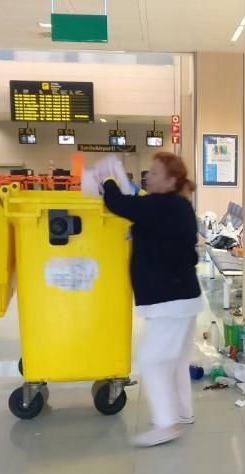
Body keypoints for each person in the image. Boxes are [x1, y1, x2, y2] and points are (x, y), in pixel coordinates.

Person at [99, 153, 202, 447]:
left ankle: (166, 423)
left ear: (171, 181)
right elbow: (151, 224)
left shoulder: (159, 205)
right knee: (178, 359)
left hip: (168, 298)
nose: (148, 176)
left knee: (153, 360)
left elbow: (118, 203)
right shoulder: (177, 206)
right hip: (185, 296)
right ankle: (182, 412)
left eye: (155, 173)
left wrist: (107, 179)